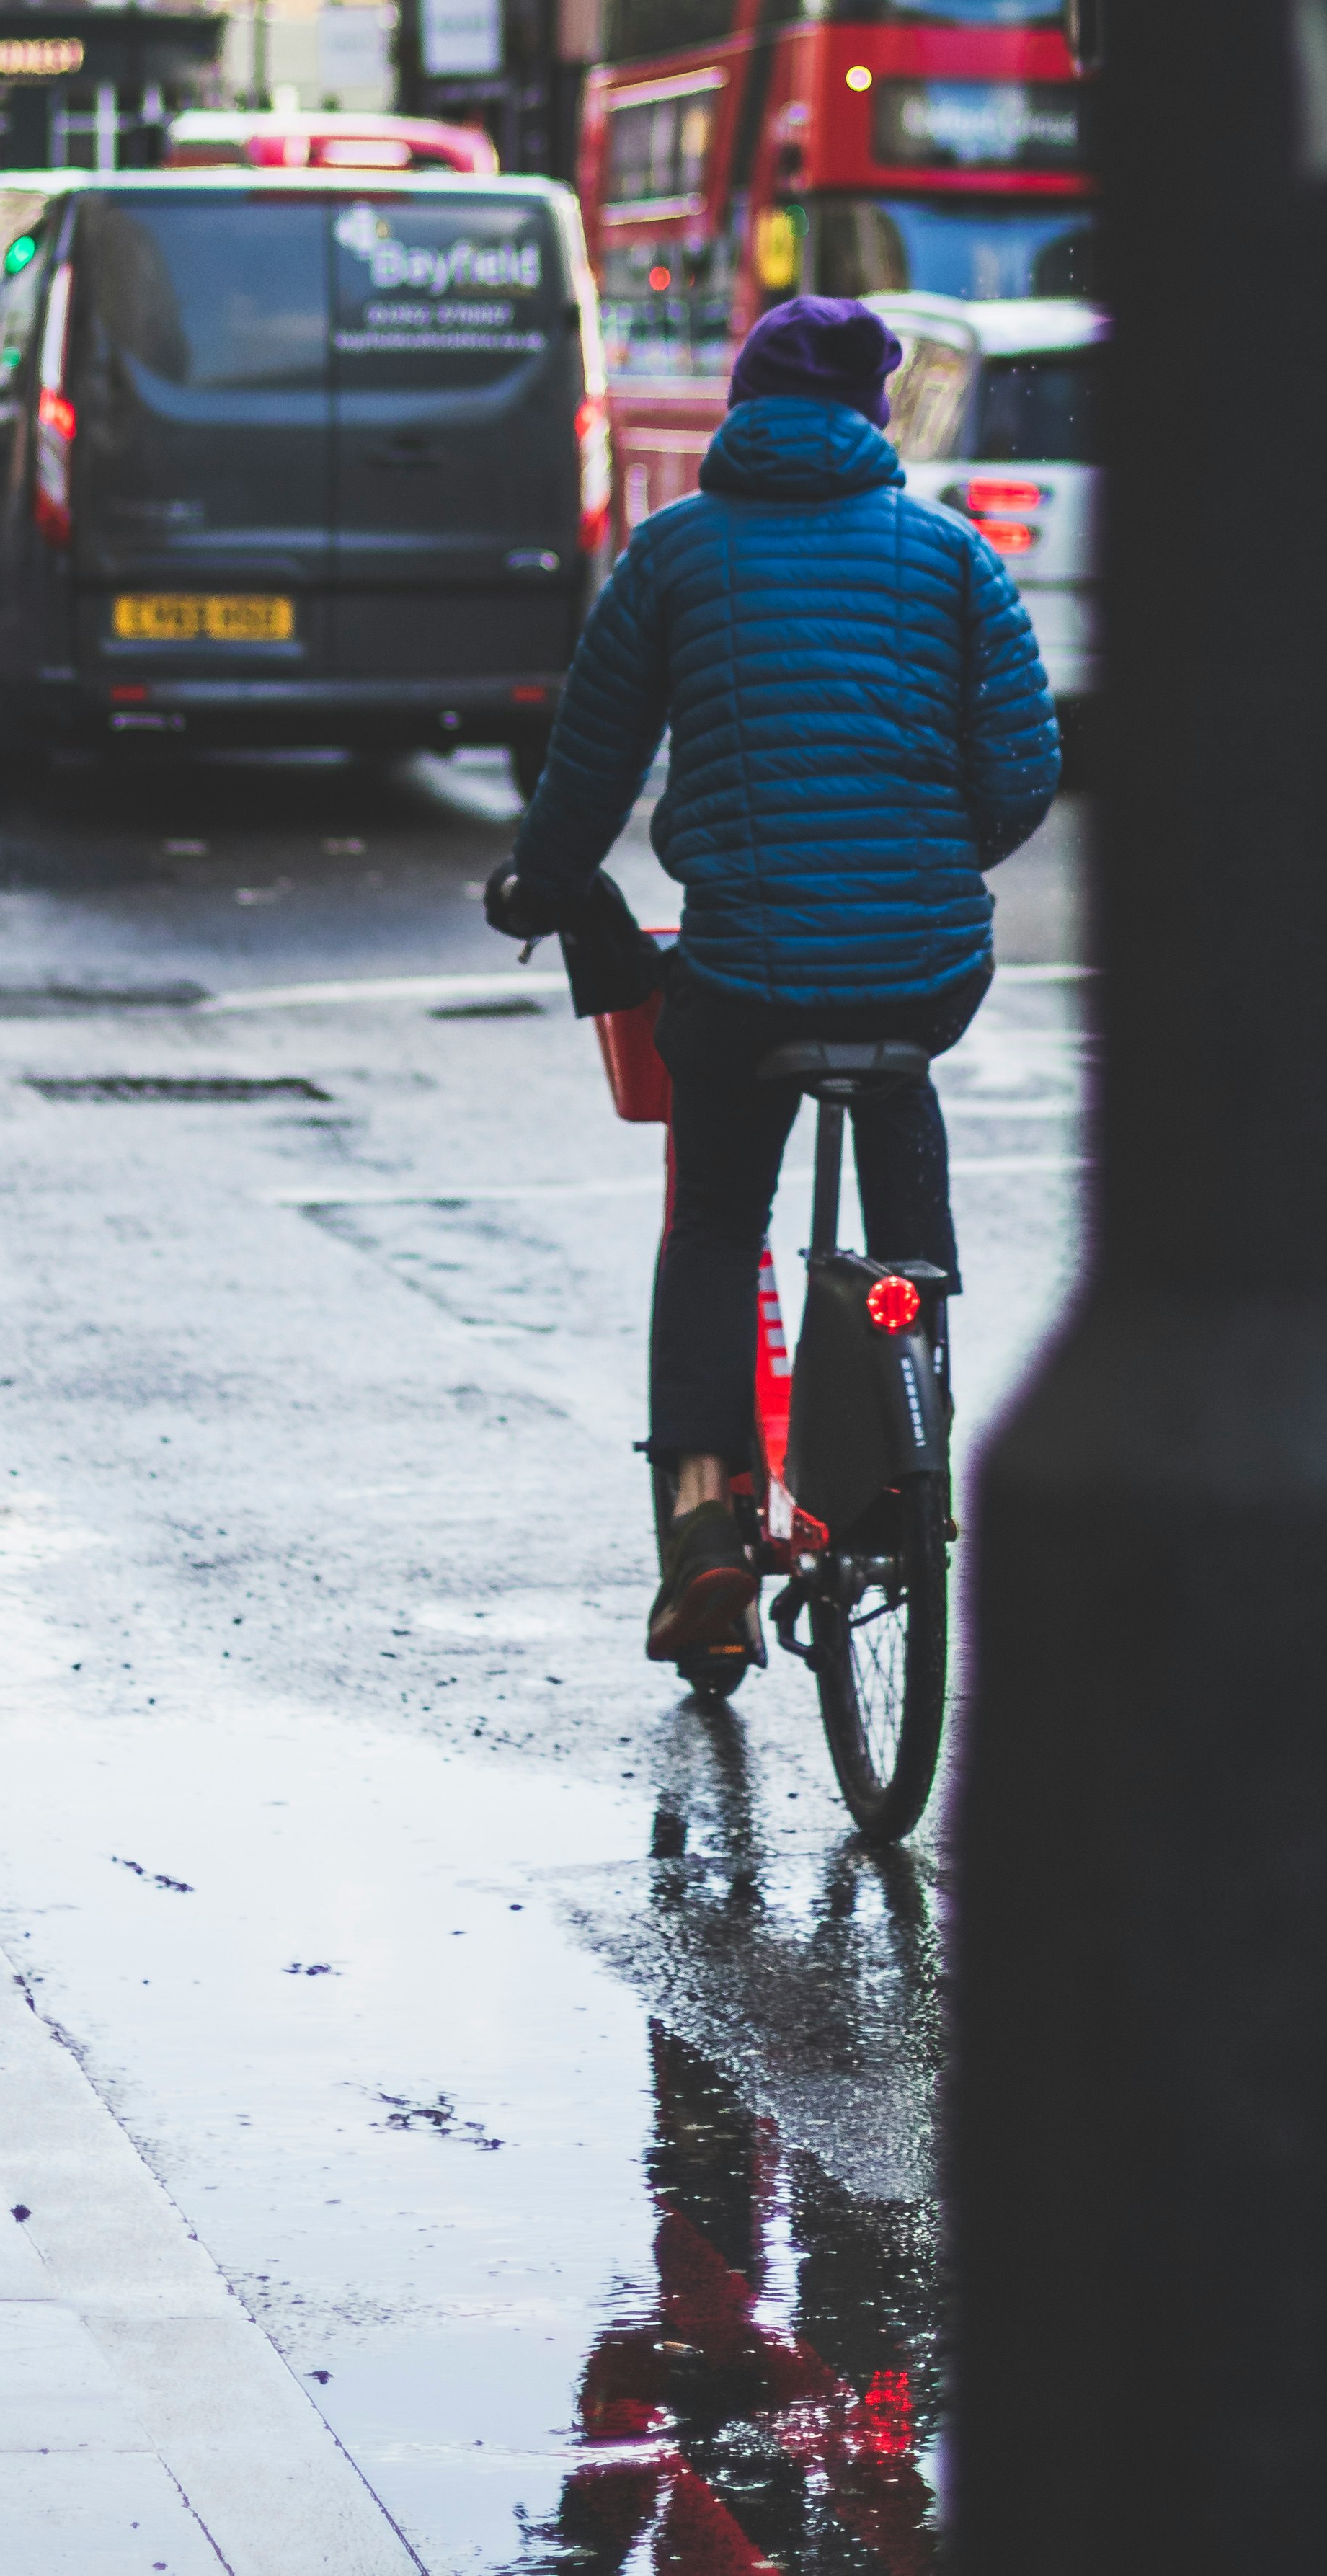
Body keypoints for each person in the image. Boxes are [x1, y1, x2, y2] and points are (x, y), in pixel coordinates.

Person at [484, 292, 1060, 1667]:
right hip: (920, 967)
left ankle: (702, 1537)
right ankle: (909, 1437)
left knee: (714, 1224)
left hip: (741, 976)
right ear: (872, 415)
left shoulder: (675, 554)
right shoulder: (950, 554)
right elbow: (1026, 764)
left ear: (742, 408)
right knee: (897, 1139)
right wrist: (935, 855)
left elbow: (592, 762)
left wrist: (540, 883)